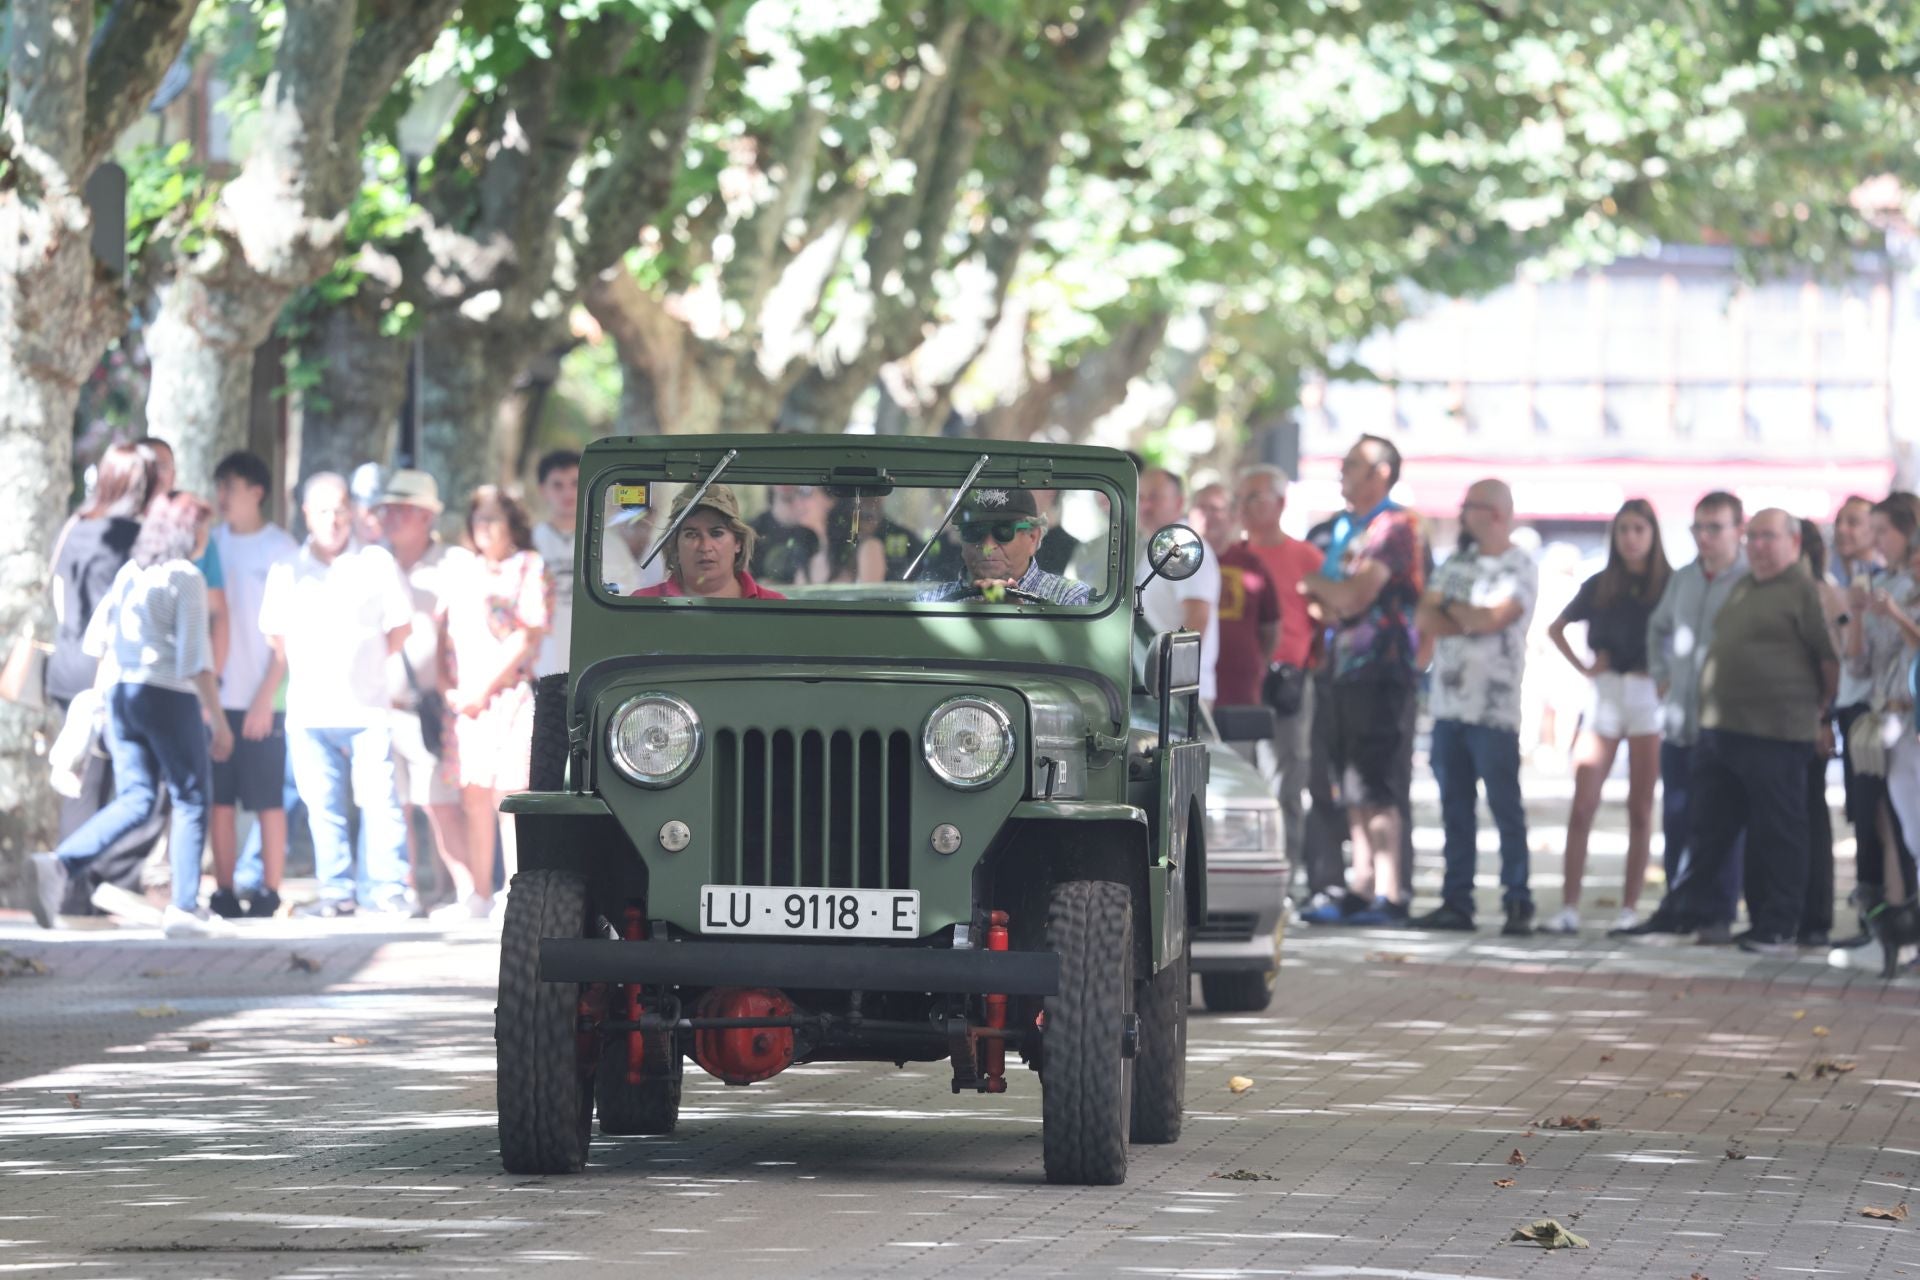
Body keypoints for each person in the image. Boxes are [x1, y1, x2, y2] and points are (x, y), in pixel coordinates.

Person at [1618, 510, 1839, 953]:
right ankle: (1681, 913)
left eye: (1767, 537)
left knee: (1778, 833)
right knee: (1708, 833)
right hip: (1722, 732)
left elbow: (1828, 659)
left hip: (1778, 734)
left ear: (1793, 542)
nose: (1757, 545)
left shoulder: (1804, 590)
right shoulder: (1744, 585)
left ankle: (1778, 925)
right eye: (1753, 537)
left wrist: (1821, 716)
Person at [28, 494, 235, 937]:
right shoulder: (185, 577)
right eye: (203, 528)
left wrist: (101, 703)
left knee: (137, 798)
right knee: (192, 796)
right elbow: (195, 658)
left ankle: (59, 864)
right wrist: (217, 720)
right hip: (167, 693)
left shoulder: (130, 574)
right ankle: (183, 907)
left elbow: (96, 642)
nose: (206, 538)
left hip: (121, 694)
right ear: (187, 531)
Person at [259, 472, 415, 917]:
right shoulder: (287, 568)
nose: (333, 519)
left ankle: (386, 890)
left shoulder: (375, 562)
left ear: (351, 512)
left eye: (340, 509)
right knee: (322, 806)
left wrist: (366, 662)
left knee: (379, 799)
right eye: (323, 510)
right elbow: (276, 638)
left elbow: (400, 627)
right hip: (309, 710)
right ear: (307, 514)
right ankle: (336, 892)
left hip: (368, 706)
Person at [1298, 435, 1425, 926]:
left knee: (1378, 784)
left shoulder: (1394, 526)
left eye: (1353, 464)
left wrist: (1320, 587)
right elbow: (1328, 602)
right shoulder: (1349, 528)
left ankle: (1391, 893)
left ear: (1382, 474)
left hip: (1381, 672)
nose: (1342, 471)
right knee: (1348, 784)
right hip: (1340, 670)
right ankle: (1362, 883)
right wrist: (1330, 593)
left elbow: (1351, 598)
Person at [1409, 480, 1538, 934]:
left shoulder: (1518, 564)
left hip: (1494, 712)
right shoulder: (1456, 563)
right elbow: (1425, 617)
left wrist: (1454, 611)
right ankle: (1456, 901)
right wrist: (1466, 617)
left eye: (1471, 507)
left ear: (1497, 513)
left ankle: (1518, 900)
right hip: (1448, 708)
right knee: (1454, 809)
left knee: (1506, 808)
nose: (1463, 515)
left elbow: (1494, 618)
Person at [1539, 499, 1672, 934]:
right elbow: (1556, 627)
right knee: (1583, 804)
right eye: (1624, 530)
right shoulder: (1600, 585)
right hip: (1605, 693)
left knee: (1640, 806)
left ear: (1652, 535)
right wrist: (1583, 668)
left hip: (1647, 696)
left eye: (1639, 529)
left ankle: (1630, 907)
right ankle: (1569, 907)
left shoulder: (1669, 585)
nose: (1631, 538)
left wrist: (1668, 679)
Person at [1627, 491, 1748, 941]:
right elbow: (1658, 626)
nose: (1705, 537)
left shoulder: (1750, 581)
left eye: (1715, 527)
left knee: (1722, 823)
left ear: (1739, 529)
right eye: (1698, 527)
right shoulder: (1683, 579)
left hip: (1728, 724)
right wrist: (1661, 676)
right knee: (1678, 817)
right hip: (1680, 723)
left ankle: (1717, 911)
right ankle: (1679, 905)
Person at [444, 487, 551, 914]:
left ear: (513, 523)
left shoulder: (529, 566)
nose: (483, 528)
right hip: (466, 699)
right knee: (473, 793)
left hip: (509, 695)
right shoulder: (463, 569)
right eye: (477, 519)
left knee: (510, 794)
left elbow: (528, 637)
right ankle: (477, 895)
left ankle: (514, 893)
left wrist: (481, 691)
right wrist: (448, 685)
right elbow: (443, 633)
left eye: (493, 519)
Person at [375, 470, 476, 919]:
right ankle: (408, 893)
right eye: (388, 509)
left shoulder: (454, 565)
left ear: (426, 516)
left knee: (440, 805)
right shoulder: (373, 564)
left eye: (403, 510)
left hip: (431, 707)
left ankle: (468, 892)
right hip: (381, 705)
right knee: (395, 807)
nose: (392, 517)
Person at [205, 451, 299, 919]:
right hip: (217, 698)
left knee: (267, 798)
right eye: (219, 488)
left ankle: (269, 890)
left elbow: (288, 635)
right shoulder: (210, 544)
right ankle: (223, 891)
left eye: (231, 487)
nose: (222, 497)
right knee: (219, 797)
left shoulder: (281, 550)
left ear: (256, 492)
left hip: (266, 698)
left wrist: (267, 696)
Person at [47, 444, 156, 847]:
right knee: (108, 781)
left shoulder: (75, 525)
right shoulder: (133, 537)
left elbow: (59, 596)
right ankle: (73, 882)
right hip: (105, 667)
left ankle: (71, 883)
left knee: (78, 775)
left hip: (67, 660)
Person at [1838, 494, 1920, 942]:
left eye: (1882, 530)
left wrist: (1895, 614)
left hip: (1913, 717)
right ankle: (1895, 926)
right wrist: (1854, 616)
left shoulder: (1909, 587)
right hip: (1886, 716)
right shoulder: (1884, 582)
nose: (1875, 540)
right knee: (1892, 826)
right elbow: (1858, 666)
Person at [1828, 494, 1887, 947]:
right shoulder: (1852, 578)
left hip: (1876, 712)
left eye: (1855, 522)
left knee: (1876, 819)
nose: (1844, 530)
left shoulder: (1880, 583)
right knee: (1862, 818)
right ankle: (1874, 921)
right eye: (1840, 522)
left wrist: (1853, 616)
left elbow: (1858, 658)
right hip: (1852, 709)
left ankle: (1883, 923)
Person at [531, 448, 640, 678]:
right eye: (557, 485)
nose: (567, 493)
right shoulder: (529, 543)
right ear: (543, 490)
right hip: (538, 668)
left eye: (574, 482)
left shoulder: (609, 544)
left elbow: (630, 600)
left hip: (592, 667)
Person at [135, 437, 229, 676]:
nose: (157, 474)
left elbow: (217, 613)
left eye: (164, 466)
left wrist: (211, 687)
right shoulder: (117, 529)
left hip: (181, 682)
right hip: (127, 677)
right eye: (149, 465)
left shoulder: (194, 529)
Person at [921, 488, 1093, 606]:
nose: (988, 546)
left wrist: (1021, 620)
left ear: (1033, 537)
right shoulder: (931, 601)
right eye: (973, 532)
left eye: (1003, 532)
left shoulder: (1070, 598)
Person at [1138, 468, 1220, 703]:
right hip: (1163, 688)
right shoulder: (1157, 545)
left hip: (1180, 692)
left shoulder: (1183, 546)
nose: (1145, 506)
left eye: (1154, 497)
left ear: (1179, 502)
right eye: (1141, 497)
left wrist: (1167, 678)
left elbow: (1197, 617)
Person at [638, 484, 790, 600]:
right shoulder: (641, 606)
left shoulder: (773, 605)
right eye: (691, 534)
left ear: (738, 542)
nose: (705, 547)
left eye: (716, 533)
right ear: (675, 544)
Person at [1190, 482, 1234, 557]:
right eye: (1202, 507)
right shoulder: (1179, 558)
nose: (1207, 514)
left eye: (1214, 509)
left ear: (1231, 517)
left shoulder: (1248, 561)